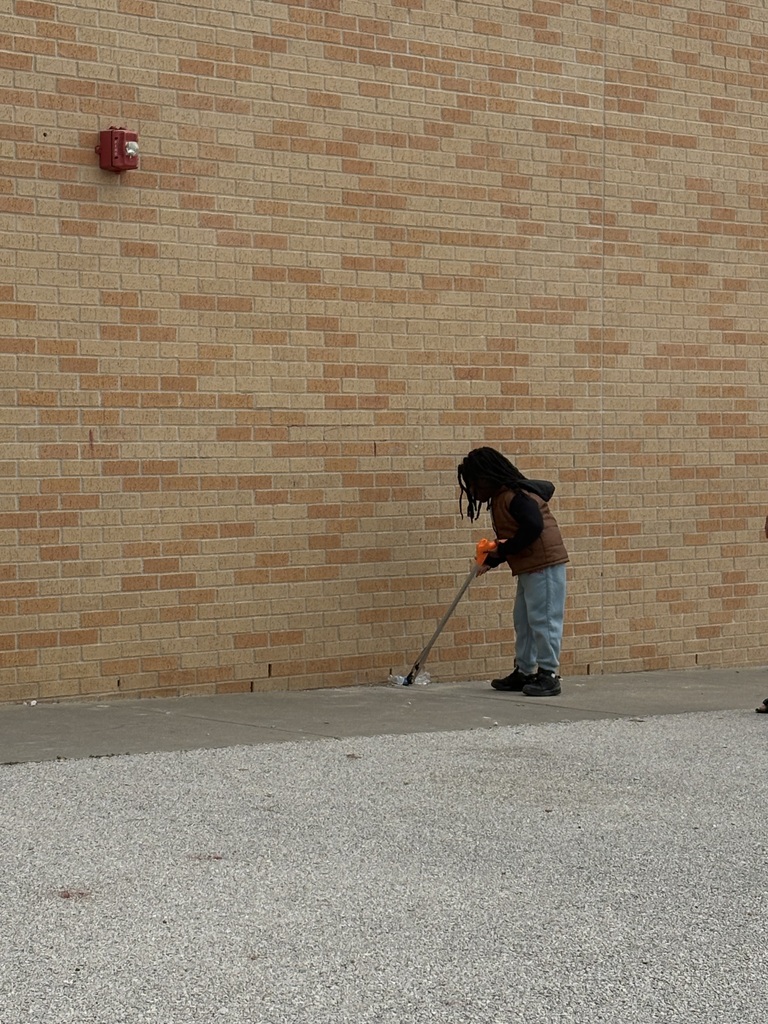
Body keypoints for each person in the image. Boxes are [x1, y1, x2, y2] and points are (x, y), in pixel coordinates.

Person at [457, 446, 569, 697]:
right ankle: (525, 670)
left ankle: (549, 674)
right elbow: (513, 540)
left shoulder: (517, 496)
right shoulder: (501, 498)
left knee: (544, 619)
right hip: (530, 567)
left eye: (474, 485)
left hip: (545, 566)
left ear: (487, 478)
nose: (473, 492)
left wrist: (503, 552)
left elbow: (533, 527)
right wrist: (494, 559)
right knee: (524, 620)